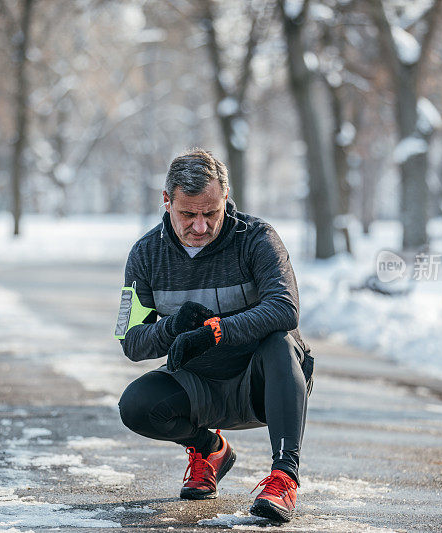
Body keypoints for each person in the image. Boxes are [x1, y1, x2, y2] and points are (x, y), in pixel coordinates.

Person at [114, 149, 313, 523]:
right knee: (135, 405)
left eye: (211, 213)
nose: (201, 226)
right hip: (199, 385)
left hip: (263, 383)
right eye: (188, 214)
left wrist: (216, 331)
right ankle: (210, 450)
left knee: (282, 342)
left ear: (225, 198)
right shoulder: (144, 255)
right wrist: (173, 327)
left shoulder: (257, 239)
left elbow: (285, 308)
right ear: (167, 201)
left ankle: (284, 476)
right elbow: (130, 340)